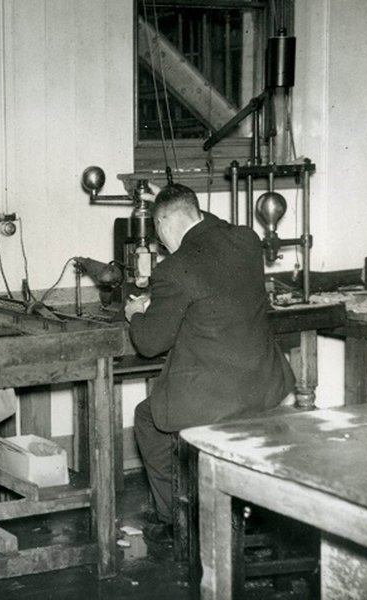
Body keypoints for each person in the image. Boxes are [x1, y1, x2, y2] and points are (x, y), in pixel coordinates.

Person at [124, 183, 295, 541]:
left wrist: (136, 313)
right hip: (267, 387)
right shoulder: (247, 240)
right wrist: (176, 202)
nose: (159, 244)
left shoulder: (173, 269)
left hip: (216, 403)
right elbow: (211, 225)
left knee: (147, 418)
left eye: (158, 232)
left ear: (163, 224)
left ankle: (177, 521)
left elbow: (150, 344)